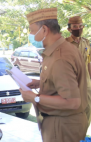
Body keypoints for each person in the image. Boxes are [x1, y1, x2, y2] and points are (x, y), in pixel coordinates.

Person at [21, 8, 88, 142]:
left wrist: (35, 98)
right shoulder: (63, 48)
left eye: (32, 30)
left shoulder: (60, 57)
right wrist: (42, 82)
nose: (31, 34)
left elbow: (72, 101)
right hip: (63, 124)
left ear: (44, 30)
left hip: (62, 127)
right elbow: (68, 80)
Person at [65, 16, 91, 128]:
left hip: (87, 85)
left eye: (80, 26)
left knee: (88, 112)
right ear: (69, 29)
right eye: (75, 26)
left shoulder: (86, 42)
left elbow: (89, 63)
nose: (79, 29)